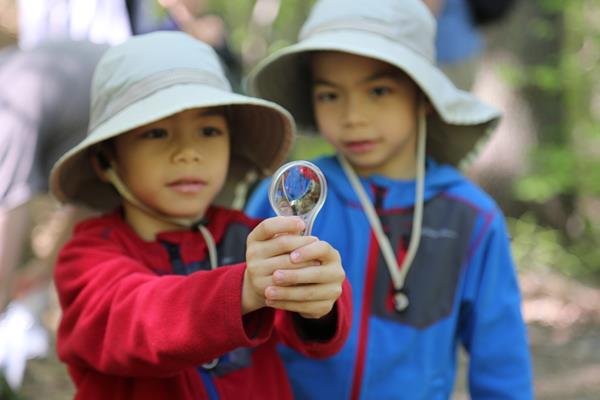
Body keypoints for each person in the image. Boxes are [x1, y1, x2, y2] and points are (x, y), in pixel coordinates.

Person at [245, 0, 533, 398]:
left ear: (424, 96)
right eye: (330, 95)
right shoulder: (290, 197)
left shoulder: (470, 217)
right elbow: (241, 328)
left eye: (378, 91)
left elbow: (501, 362)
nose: (353, 116)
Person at [49, 31, 351, 399]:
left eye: (208, 130)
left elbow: (314, 339)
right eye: (157, 132)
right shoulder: (86, 258)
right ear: (105, 159)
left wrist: (318, 296)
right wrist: (242, 290)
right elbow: (135, 320)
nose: (188, 152)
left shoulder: (251, 237)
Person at [0, 41, 108, 392]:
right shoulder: (17, 75)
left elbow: (8, 213)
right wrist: (43, 270)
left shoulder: (8, 107)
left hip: (162, 117)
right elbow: (90, 193)